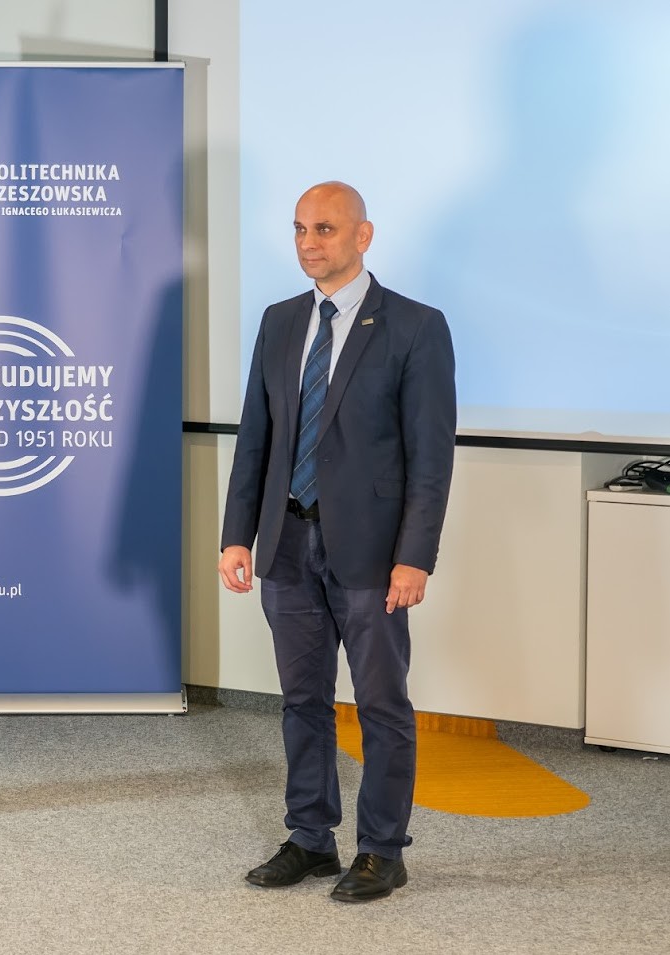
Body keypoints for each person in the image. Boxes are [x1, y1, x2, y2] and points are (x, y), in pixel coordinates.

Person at [218, 182, 456, 902]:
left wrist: (414, 555)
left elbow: (429, 456)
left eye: (323, 228)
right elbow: (256, 438)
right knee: (301, 700)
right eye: (298, 229)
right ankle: (310, 838)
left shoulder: (415, 326)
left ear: (362, 235)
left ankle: (382, 849)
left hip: (373, 554)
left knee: (381, 705)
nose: (307, 242)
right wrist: (237, 536)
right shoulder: (279, 320)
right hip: (287, 543)